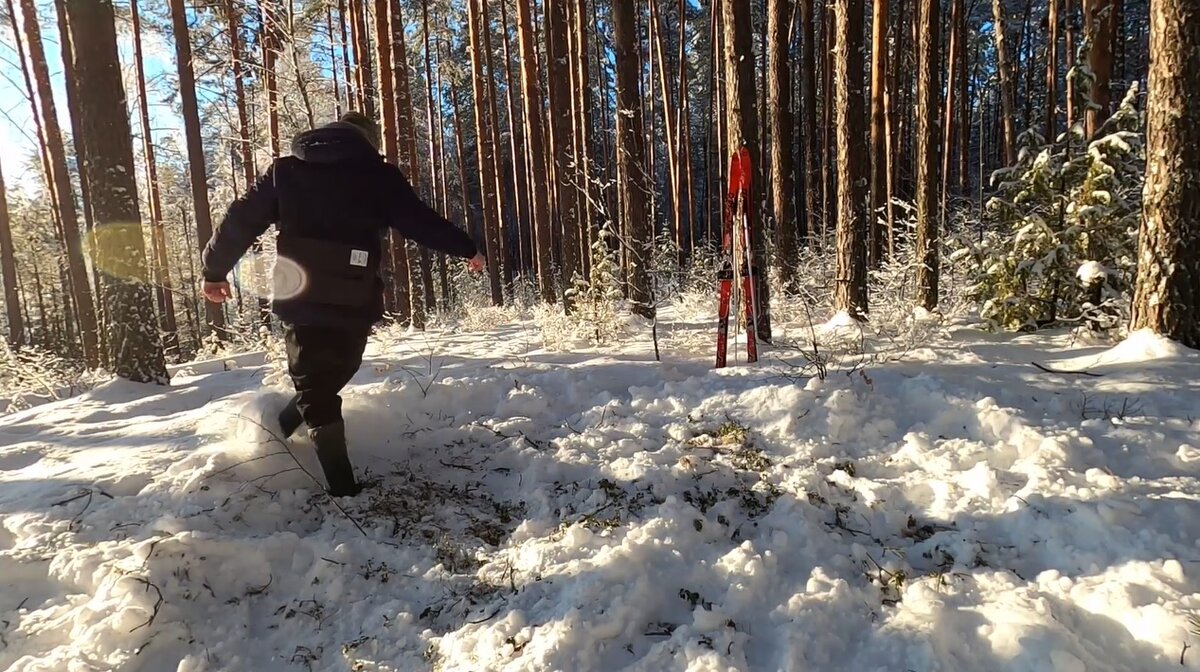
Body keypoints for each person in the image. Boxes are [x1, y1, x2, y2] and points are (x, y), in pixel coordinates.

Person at [200, 112, 485, 497]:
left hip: (300, 292)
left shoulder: (288, 172)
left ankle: (274, 434)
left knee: (319, 381)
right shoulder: (374, 175)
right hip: (352, 296)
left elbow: (240, 218)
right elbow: (420, 221)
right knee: (322, 386)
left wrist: (215, 269)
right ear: (367, 142)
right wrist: (466, 248)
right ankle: (343, 487)